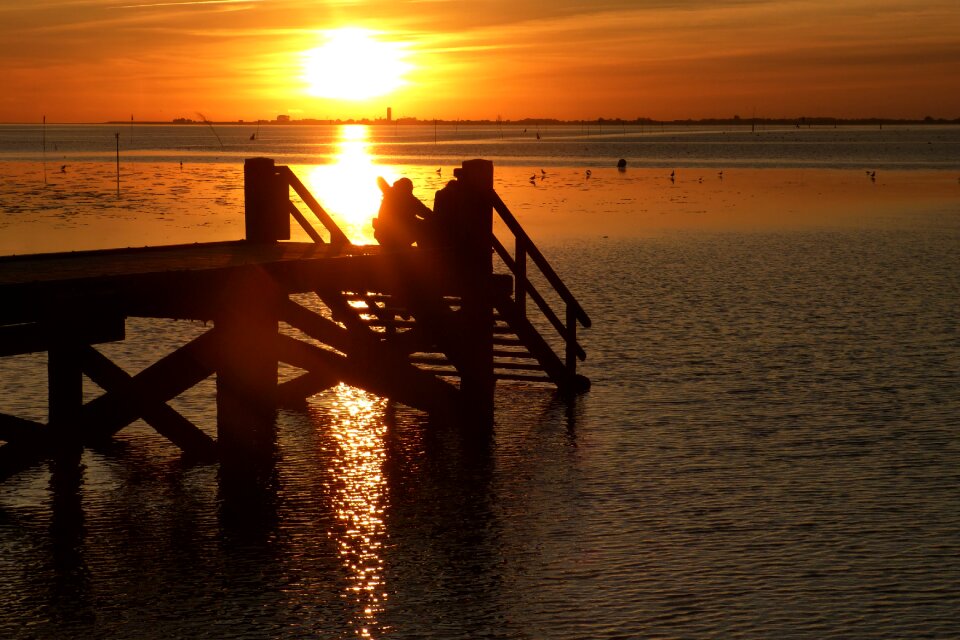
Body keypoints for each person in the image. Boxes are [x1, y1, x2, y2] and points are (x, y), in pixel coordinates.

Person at [373, 177, 435, 248]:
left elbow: (379, 179)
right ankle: (423, 252)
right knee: (426, 226)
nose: (411, 192)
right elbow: (428, 214)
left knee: (416, 222)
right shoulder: (409, 199)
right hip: (396, 237)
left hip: (381, 236)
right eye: (410, 190)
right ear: (407, 189)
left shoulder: (389, 193)